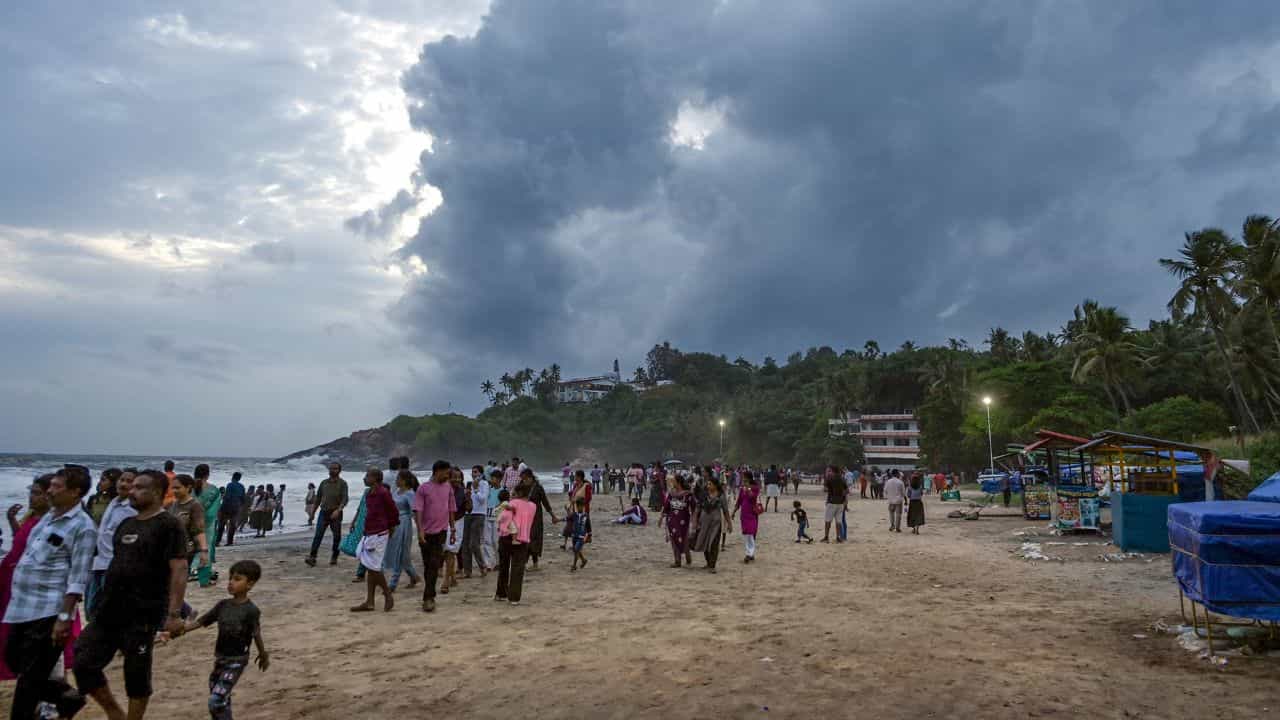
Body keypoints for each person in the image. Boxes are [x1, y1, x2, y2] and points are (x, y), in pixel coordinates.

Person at [74, 469, 189, 720]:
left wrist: (174, 613)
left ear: (157, 492)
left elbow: (179, 568)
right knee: (82, 659)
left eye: (139, 488)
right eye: (131, 486)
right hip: (109, 609)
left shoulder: (168, 525)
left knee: (136, 673)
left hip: (143, 612)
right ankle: (115, 713)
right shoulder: (127, 523)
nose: (131, 491)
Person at [3, 467, 94, 719]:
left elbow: (78, 576)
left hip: (49, 609)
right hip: (22, 606)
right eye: (49, 486)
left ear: (76, 492)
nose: (50, 491)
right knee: (13, 659)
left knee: (29, 680)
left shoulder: (83, 527)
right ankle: (68, 697)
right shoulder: (48, 517)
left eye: (56, 487)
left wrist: (64, 618)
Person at [175, 559, 268, 720]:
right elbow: (201, 621)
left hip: (237, 660)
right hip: (220, 658)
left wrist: (263, 654)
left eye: (237, 579)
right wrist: (180, 631)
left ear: (250, 584)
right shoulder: (223, 605)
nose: (231, 582)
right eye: (230, 578)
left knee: (216, 700)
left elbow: (256, 633)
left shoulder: (251, 611)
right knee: (220, 699)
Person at [86, 469, 136, 620]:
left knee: (105, 606)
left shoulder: (132, 509)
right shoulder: (113, 503)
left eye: (129, 481)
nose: (124, 483)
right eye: (122, 480)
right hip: (98, 561)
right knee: (91, 607)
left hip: (114, 564)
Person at [351, 468, 397, 612]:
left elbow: (393, 511)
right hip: (369, 531)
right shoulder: (369, 493)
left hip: (379, 533)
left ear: (376, 478)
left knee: (374, 567)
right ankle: (370, 601)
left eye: (367, 476)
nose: (364, 478)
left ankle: (388, 594)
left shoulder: (383, 492)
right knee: (369, 566)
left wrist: (391, 528)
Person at [413, 460, 456, 613]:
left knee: (434, 563)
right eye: (446, 472)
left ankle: (428, 598)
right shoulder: (423, 488)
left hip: (442, 532)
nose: (448, 475)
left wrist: (453, 528)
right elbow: (418, 510)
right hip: (426, 533)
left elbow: (451, 508)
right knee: (427, 565)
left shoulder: (448, 487)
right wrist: (420, 531)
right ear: (437, 471)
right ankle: (429, 592)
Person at [494, 484, 535, 606]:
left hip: (506, 537)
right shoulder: (533, 506)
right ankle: (514, 597)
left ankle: (501, 594)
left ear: (518, 493)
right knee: (517, 569)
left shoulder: (513, 503)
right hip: (523, 539)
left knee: (504, 566)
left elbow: (504, 512)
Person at [383, 467, 420, 592]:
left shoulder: (409, 493)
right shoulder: (396, 492)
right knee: (401, 554)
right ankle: (414, 576)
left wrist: (420, 528)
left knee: (400, 551)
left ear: (404, 480)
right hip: (394, 523)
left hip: (403, 524)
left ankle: (392, 584)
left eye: (398, 478)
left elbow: (414, 511)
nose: (396, 480)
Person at [168, 474, 210, 584]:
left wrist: (204, 551)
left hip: (185, 551)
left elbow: (199, 530)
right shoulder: (172, 505)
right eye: (173, 488)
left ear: (188, 488)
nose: (174, 491)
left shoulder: (195, 506)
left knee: (177, 584)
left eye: (178, 488)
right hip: (170, 550)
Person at [305, 463, 348, 567]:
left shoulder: (342, 483)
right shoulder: (324, 483)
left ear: (339, 470)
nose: (332, 470)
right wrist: (312, 514)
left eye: (335, 468)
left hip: (336, 513)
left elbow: (345, 499)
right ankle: (312, 557)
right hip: (323, 512)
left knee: (337, 536)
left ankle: (334, 556)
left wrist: (338, 510)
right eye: (331, 468)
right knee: (318, 535)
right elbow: (318, 498)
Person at [691, 475, 731, 572]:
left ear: (716, 485)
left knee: (714, 543)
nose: (708, 485)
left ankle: (712, 566)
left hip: (716, 523)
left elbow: (725, 510)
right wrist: (695, 522)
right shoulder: (703, 495)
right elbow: (697, 509)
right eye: (708, 484)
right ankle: (708, 562)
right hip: (703, 523)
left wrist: (729, 524)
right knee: (704, 541)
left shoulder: (721, 495)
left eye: (710, 484)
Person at [520, 468, 557, 571]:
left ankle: (530, 563)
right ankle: (531, 563)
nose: (524, 481)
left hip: (536, 517)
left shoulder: (538, 488)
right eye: (522, 479)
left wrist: (553, 516)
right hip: (524, 517)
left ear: (531, 477)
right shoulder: (522, 487)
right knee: (525, 538)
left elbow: (545, 503)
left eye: (525, 479)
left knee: (533, 539)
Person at [194, 464, 221, 587]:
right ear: (207, 474)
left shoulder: (188, 488)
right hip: (206, 525)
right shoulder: (214, 490)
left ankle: (190, 571)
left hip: (189, 523)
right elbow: (213, 512)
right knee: (205, 550)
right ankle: (203, 579)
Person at [659, 474, 694, 568]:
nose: (671, 482)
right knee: (674, 539)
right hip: (672, 520)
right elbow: (666, 506)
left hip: (683, 520)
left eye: (673, 480)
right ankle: (677, 561)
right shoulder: (671, 493)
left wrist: (695, 520)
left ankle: (687, 554)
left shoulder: (688, 494)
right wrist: (661, 518)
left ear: (678, 482)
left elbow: (694, 508)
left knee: (684, 539)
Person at [441, 468, 468, 593]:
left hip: (457, 523)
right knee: (446, 552)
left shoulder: (462, 492)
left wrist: (469, 498)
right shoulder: (442, 490)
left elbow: (468, 508)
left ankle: (446, 580)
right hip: (443, 522)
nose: (457, 479)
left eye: (459, 477)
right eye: (454, 477)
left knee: (451, 551)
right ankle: (452, 577)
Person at [461, 466, 488, 579]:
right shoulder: (469, 484)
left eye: (476, 472)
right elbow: (466, 500)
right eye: (472, 472)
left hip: (479, 515)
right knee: (465, 544)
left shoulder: (484, 484)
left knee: (474, 543)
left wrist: (476, 489)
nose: (473, 474)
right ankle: (467, 571)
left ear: (481, 473)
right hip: (468, 514)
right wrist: (467, 493)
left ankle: (482, 566)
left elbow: (482, 499)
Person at [731, 471, 761, 564]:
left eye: (744, 478)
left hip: (752, 513)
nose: (742, 479)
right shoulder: (742, 489)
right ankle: (750, 553)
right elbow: (739, 501)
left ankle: (749, 553)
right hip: (744, 514)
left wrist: (748, 488)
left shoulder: (755, 488)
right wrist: (733, 512)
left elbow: (753, 497)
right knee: (747, 533)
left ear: (749, 478)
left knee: (751, 532)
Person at [561, 470, 591, 551]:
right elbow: (572, 496)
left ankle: (579, 546)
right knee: (576, 528)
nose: (574, 477)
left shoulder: (587, 486)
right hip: (575, 509)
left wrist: (579, 501)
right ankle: (576, 545)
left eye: (576, 476)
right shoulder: (575, 485)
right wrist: (570, 505)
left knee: (581, 528)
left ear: (580, 477)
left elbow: (588, 499)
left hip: (583, 510)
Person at [217, 472, 245, 547]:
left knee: (222, 524)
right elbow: (243, 498)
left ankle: (218, 541)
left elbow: (227, 496)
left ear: (232, 477)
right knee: (232, 525)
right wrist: (240, 507)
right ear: (239, 478)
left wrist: (222, 507)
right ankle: (230, 542)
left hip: (227, 506)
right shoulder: (242, 486)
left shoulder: (230, 485)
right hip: (236, 507)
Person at [482, 469, 503, 572]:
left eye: (493, 478)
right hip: (486, 517)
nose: (491, 480)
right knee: (486, 541)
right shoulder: (488, 489)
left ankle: (499, 562)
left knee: (496, 541)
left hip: (497, 518)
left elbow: (504, 504)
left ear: (499, 479)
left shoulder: (503, 490)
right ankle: (488, 563)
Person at [822, 465, 848, 543]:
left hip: (832, 502)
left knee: (828, 521)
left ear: (833, 471)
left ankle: (826, 537)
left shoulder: (830, 479)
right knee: (838, 521)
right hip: (840, 503)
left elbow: (825, 489)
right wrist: (842, 496)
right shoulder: (842, 479)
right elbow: (846, 490)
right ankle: (838, 537)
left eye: (830, 471)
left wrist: (830, 490)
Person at [567, 497, 591, 572]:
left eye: (581, 506)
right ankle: (583, 560)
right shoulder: (574, 515)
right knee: (576, 550)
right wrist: (571, 504)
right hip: (574, 535)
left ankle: (574, 565)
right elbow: (567, 517)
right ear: (577, 506)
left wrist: (589, 536)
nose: (580, 507)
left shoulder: (586, 516)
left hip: (581, 536)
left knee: (576, 549)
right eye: (578, 506)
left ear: (583, 506)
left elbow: (589, 527)